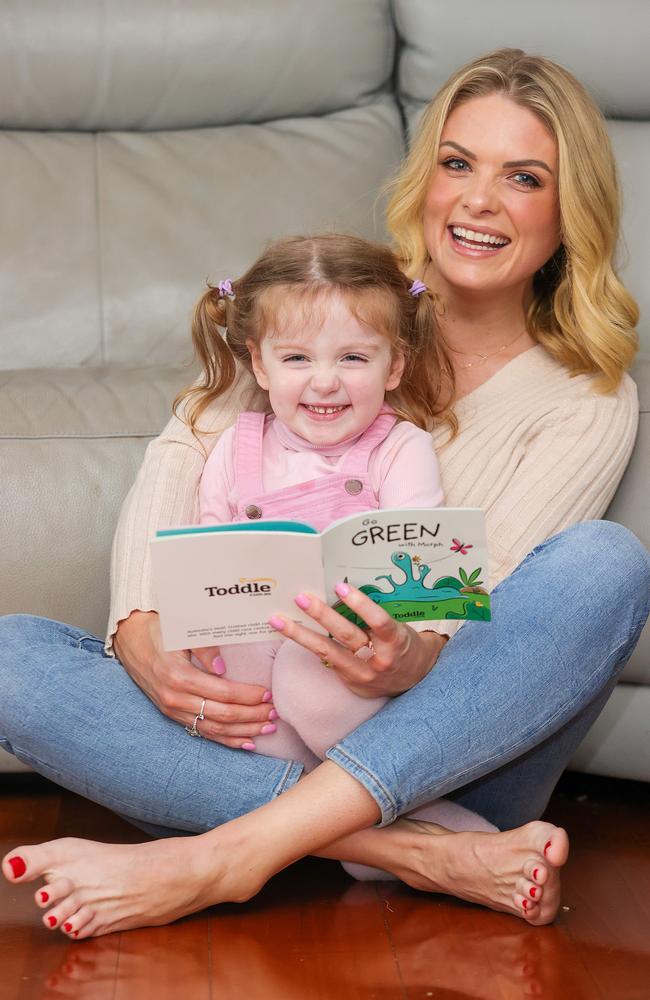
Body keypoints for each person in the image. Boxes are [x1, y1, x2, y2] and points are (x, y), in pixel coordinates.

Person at [1, 48, 649, 939]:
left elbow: (492, 600)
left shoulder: (586, 397)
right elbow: (184, 446)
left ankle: (225, 855)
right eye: (457, 163)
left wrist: (410, 657)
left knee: (605, 566)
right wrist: (140, 630)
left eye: (524, 178)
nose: (478, 201)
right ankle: (419, 855)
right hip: (258, 719)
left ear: (569, 213)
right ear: (427, 176)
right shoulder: (333, 304)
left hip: (448, 749)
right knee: (11, 657)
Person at [186, 233, 494, 844]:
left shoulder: (399, 446)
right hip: (258, 689)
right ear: (259, 364)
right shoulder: (234, 450)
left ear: (394, 366)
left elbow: (422, 579)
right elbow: (203, 567)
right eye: (297, 358)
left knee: (309, 663)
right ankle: (358, 831)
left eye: (353, 358)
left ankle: (371, 822)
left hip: (351, 674)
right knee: (231, 663)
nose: (325, 382)